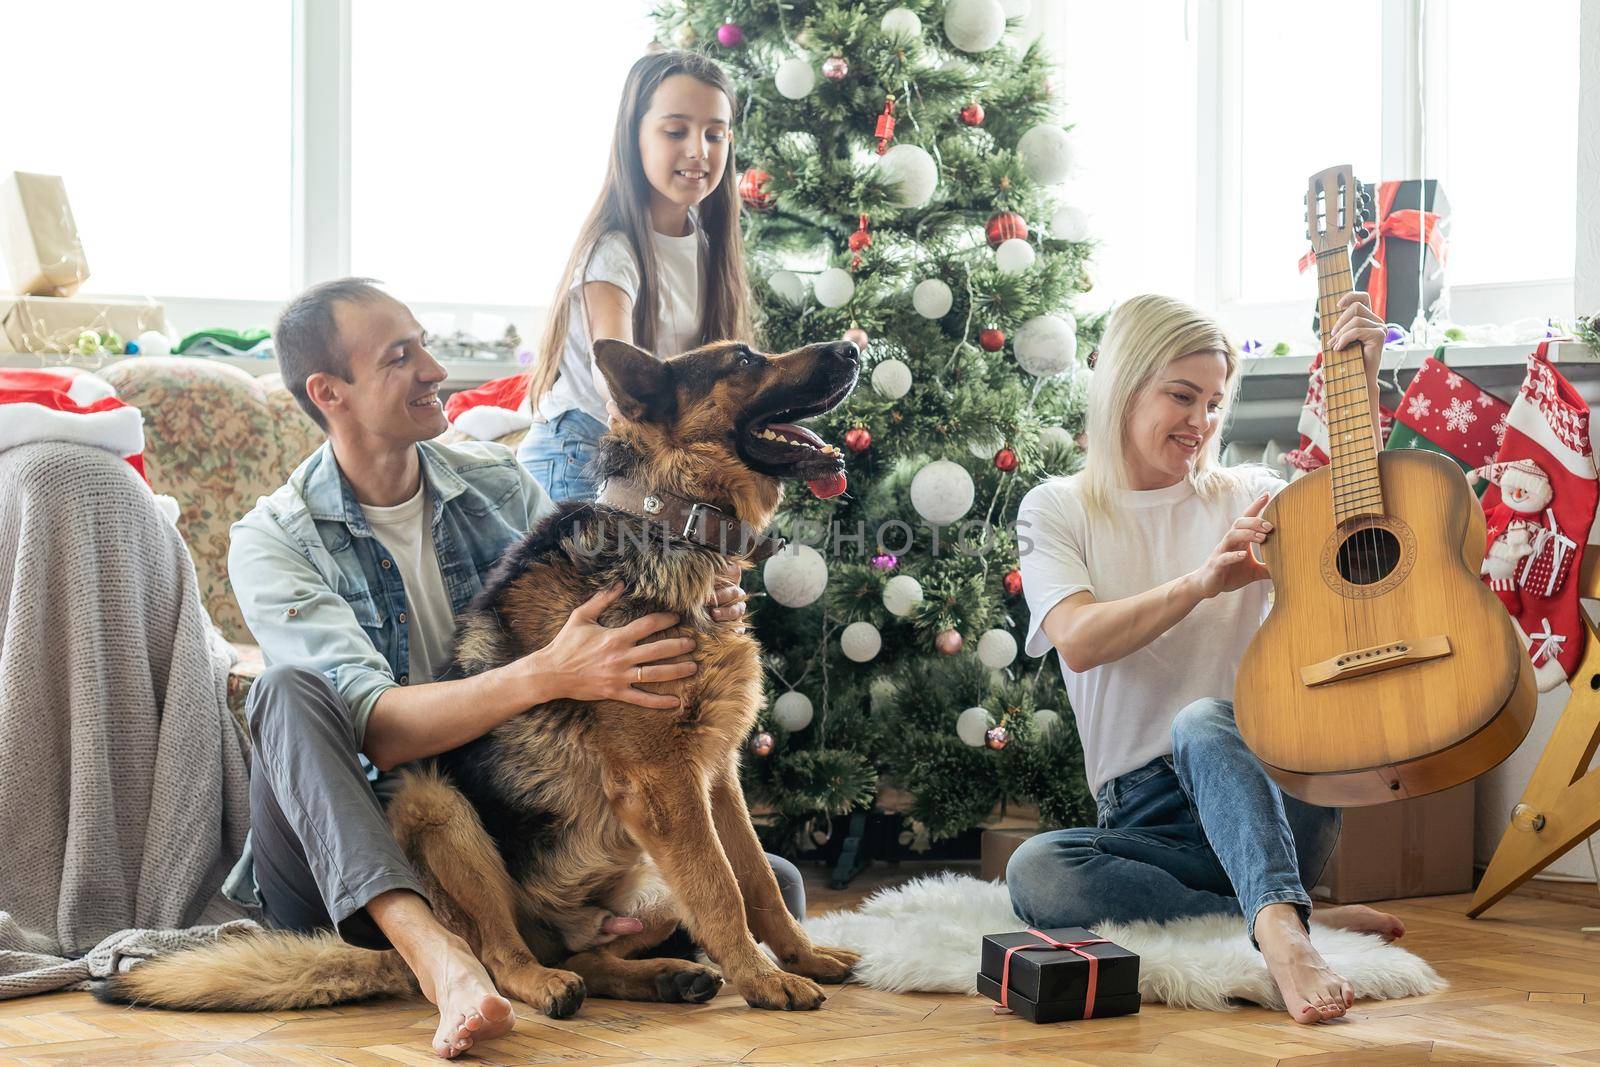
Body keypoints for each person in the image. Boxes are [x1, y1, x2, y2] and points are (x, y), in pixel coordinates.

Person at [225, 278, 802, 1059]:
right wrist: (547, 673)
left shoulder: (493, 482)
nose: (436, 369)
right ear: (330, 391)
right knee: (286, 692)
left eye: (426, 342)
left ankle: (583, 960)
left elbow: (607, 606)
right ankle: (444, 955)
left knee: (771, 882)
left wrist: (707, 602)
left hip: (506, 828)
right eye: (403, 356)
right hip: (351, 849)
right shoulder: (273, 539)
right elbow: (380, 732)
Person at [1006, 292, 1407, 1025]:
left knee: (1203, 719)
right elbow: (1081, 638)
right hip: (1146, 818)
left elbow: (1359, 539)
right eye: (1181, 396)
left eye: (1215, 402)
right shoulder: (1056, 507)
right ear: (1125, 384)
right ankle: (1280, 907)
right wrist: (1202, 582)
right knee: (1037, 872)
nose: (1201, 422)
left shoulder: (1250, 495)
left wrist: (1360, 389)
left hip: (1269, 780)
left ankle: (1283, 930)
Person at [517, 49, 752, 500]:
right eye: (675, 131)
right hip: (578, 456)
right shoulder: (613, 250)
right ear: (634, 138)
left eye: (715, 134)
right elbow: (616, 367)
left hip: (641, 457)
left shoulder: (707, 247)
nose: (698, 150)